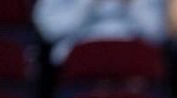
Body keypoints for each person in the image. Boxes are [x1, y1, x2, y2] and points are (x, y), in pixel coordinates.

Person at [32, 0, 167, 65]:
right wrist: (88, 4)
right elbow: (48, 30)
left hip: (134, 64)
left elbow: (160, 33)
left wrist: (134, 4)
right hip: (81, 63)